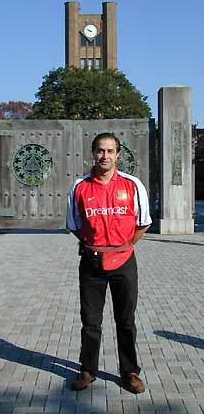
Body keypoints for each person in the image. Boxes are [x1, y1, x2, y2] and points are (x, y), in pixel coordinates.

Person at [66, 132, 152, 394]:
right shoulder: (80, 186)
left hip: (124, 261)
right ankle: (88, 370)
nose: (105, 156)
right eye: (100, 151)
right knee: (90, 321)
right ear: (93, 153)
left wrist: (123, 245)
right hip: (91, 263)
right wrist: (96, 246)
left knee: (125, 320)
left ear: (118, 154)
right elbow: (74, 225)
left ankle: (130, 373)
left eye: (110, 151)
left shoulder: (132, 184)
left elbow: (143, 223)